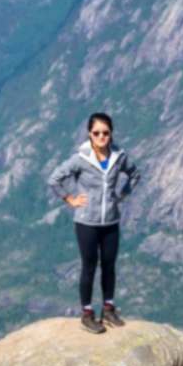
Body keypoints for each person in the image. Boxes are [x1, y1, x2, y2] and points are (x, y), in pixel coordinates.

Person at [47, 112, 140, 334]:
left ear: (111, 134)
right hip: (86, 222)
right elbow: (55, 179)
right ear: (89, 134)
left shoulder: (120, 157)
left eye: (105, 133)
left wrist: (122, 194)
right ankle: (87, 314)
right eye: (96, 133)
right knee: (89, 267)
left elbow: (135, 174)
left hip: (110, 221)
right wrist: (70, 199)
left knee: (109, 266)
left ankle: (108, 309)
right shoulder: (81, 159)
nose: (101, 137)